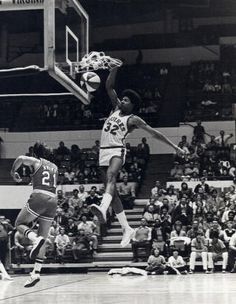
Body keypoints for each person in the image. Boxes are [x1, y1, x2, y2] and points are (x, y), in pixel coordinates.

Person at [90, 66, 185, 248]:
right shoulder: (115, 109)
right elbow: (109, 86)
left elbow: (155, 133)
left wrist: (174, 146)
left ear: (132, 105)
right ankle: (127, 228)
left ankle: (103, 207)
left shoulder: (133, 119)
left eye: (125, 100)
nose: (122, 102)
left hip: (117, 150)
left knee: (111, 177)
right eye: (122, 99)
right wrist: (114, 68)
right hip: (103, 150)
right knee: (113, 193)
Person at [10, 142, 58, 287]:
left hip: (40, 196)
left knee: (19, 224)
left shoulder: (36, 161)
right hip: (53, 200)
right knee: (43, 236)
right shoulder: (55, 167)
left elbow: (19, 158)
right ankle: (35, 273)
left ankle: (33, 238)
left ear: (35, 154)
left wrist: (13, 172)